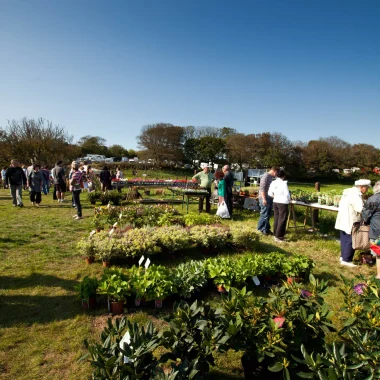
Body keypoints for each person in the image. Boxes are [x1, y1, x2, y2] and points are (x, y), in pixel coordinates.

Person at [335, 179, 371, 267]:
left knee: (344, 238)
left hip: (344, 219)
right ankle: (347, 260)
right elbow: (360, 208)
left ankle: (343, 257)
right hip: (351, 220)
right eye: (366, 188)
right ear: (361, 187)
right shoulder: (355, 195)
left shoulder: (349, 192)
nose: (367, 190)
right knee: (351, 239)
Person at [362, 181, 380, 278]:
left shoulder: (372, 199)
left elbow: (366, 214)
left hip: (377, 230)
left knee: (379, 253)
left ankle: (379, 275)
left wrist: (366, 221)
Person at [268, 169, 290, 243]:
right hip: (283, 202)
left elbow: (270, 193)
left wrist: (276, 197)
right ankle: (279, 237)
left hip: (275, 201)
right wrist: (289, 199)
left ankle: (275, 234)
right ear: (283, 176)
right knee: (282, 219)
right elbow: (287, 194)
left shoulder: (273, 182)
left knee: (276, 218)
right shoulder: (283, 183)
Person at [257, 167, 279, 235]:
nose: (276, 174)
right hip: (264, 198)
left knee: (268, 214)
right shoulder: (265, 176)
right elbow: (262, 189)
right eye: (276, 173)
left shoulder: (270, 177)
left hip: (269, 198)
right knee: (265, 214)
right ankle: (262, 229)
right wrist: (264, 199)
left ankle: (266, 228)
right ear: (274, 171)